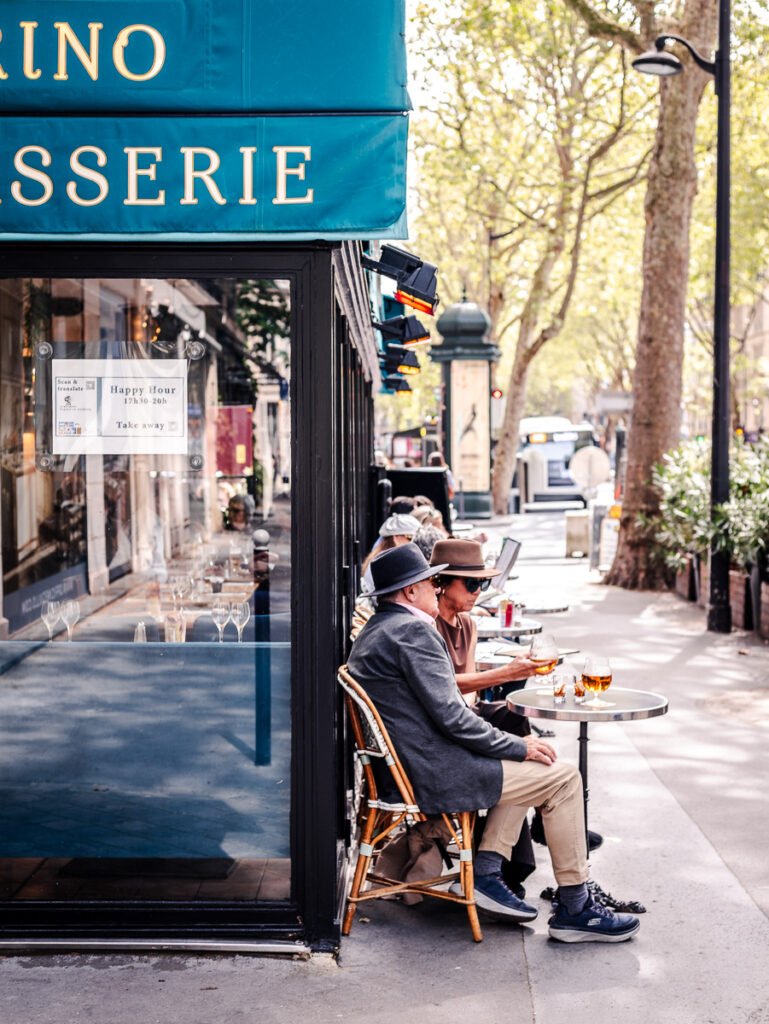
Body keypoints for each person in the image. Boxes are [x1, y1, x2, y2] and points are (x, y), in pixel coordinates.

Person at [347, 543, 640, 942]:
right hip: (430, 772)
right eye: (429, 584)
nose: (435, 589)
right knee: (563, 777)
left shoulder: (380, 628)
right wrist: (517, 745)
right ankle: (576, 906)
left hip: (407, 766)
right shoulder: (413, 632)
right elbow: (452, 717)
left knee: (533, 766)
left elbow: (444, 711)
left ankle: (487, 872)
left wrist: (511, 746)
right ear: (410, 591)